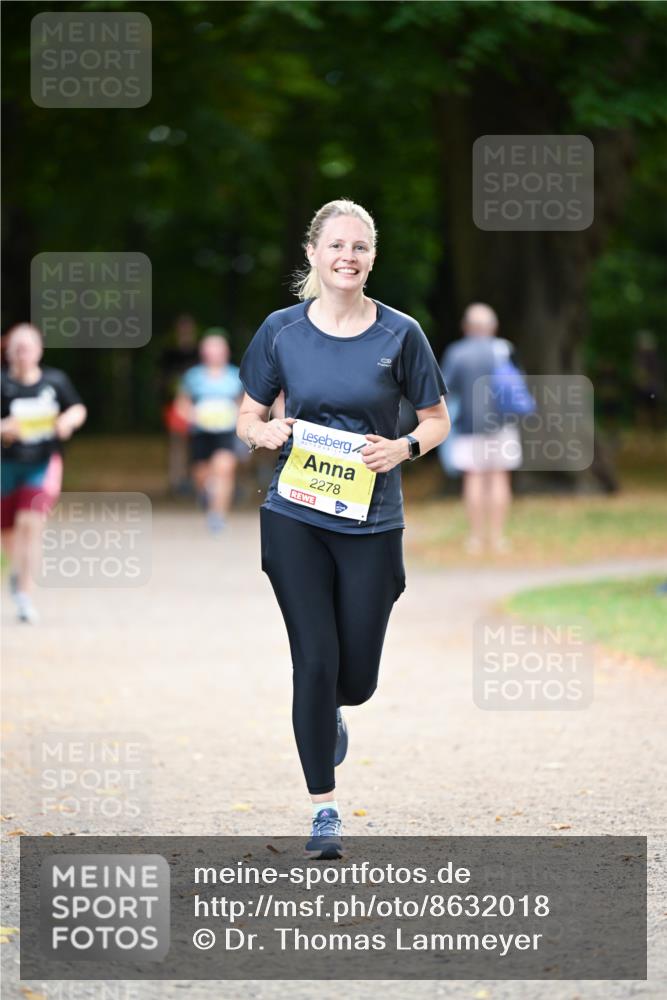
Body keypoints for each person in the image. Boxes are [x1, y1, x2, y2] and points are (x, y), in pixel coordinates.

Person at [236, 198, 450, 858]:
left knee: (354, 681)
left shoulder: (400, 334)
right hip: (294, 514)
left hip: (372, 520)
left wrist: (404, 448)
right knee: (315, 660)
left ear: (371, 257)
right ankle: (323, 809)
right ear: (312, 254)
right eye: (335, 245)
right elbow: (246, 418)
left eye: (359, 246)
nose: (347, 256)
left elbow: (435, 418)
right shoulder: (280, 331)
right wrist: (263, 432)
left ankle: (332, 707)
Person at [1, 324, 87, 623]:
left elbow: (78, 408)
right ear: (9, 352)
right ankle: (15, 571)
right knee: (10, 533)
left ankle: (25, 594)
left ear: (39, 350)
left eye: (28, 347)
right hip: (6, 466)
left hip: (42, 464)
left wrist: (67, 422)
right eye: (17, 348)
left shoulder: (55, 381)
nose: (23, 354)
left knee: (31, 522)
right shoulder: (2, 385)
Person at [440, 303, 522, 555]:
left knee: (473, 478)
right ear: (493, 327)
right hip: (503, 424)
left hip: (469, 426)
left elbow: (444, 389)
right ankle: (497, 538)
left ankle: (475, 538)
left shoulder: (457, 353)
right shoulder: (504, 349)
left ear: (466, 327)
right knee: (499, 477)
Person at [175, 329, 243, 533]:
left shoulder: (235, 375)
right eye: (210, 348)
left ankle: (217, 516)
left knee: (224, 469)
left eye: (218, 348)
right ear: (203, 352)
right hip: (201, 432)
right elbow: (182, 404)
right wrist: (192, 415)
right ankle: (206, 495)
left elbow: (244, 404)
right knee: (202, 475)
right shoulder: (193, 377)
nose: (214, 352)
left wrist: (237, 416)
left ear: (226, 351)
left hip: (226, 431)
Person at [160, 314, 200, 495]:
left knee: (197, 443)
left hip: (199, 405)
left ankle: (194, 480)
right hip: (174, 403)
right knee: (177, 443)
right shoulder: (169, 354)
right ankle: (176, 481)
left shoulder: (200, 352)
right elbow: (161, 380)